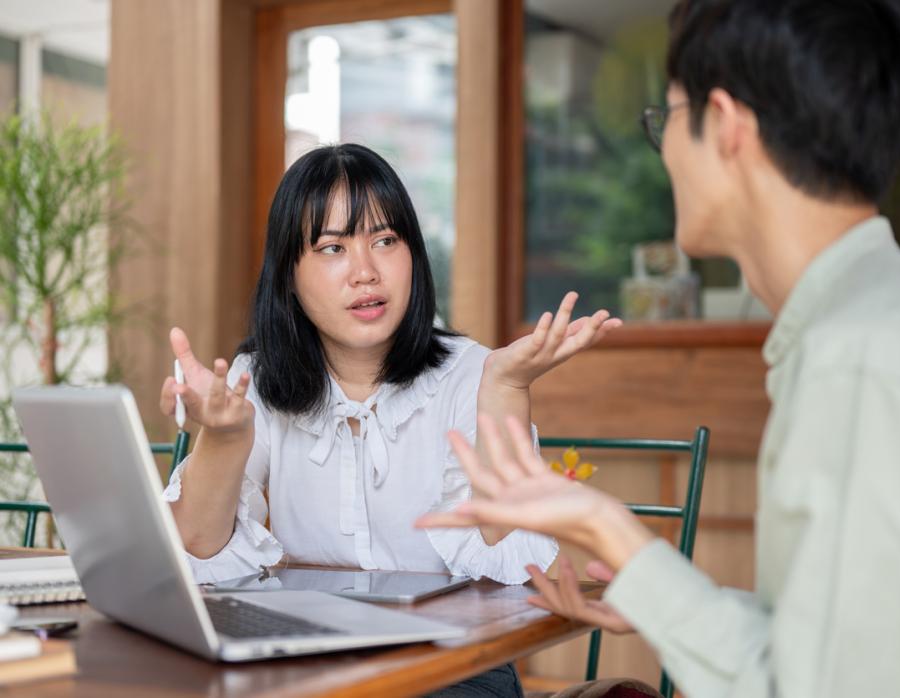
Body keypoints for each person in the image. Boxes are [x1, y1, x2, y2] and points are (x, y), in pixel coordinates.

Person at [418, 1, 900, 696]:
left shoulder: (856, 362)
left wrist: (612, 531)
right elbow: (863, 639)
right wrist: (659, 598)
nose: (663, 155)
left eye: (668, 119)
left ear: (724, 126)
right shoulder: (882, 319)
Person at [159, 143, 618, 696]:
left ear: (413, 255)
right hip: (309, 661)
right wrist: (226, 436)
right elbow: (197, 552)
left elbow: (509, 569)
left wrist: (507, 387)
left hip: (455, 666)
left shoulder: (471, 372)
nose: (366, 272)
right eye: (332, 248)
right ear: (289, 275)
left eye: (384, 240)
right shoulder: (255, 378)